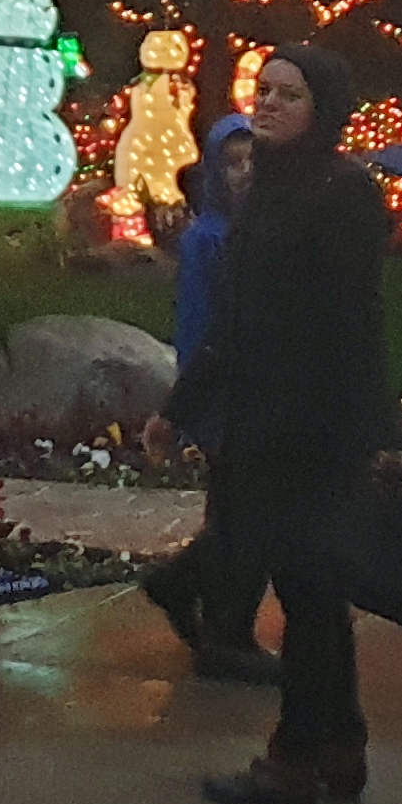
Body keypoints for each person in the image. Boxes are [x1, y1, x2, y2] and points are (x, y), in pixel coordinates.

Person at [169, 41, 402, 804]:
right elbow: (233, 324)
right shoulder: (261, 193)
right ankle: (340, 743)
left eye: (288, 94)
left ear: (323, 110)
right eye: (262, 90)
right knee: (313, 597)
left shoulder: (341, 196)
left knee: (309, 598)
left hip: (312, 431)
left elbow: (355, 325)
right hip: (259, 424)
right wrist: (179, 408)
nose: (267, 104)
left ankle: (294, 761)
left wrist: (376, 435)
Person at [143, 116, 280, 682]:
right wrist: (192, 402)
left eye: (253, 160)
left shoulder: (254, 230)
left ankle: (185, 587)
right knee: (250, 514)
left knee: (242, 511)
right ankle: (229, 631)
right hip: (225, 391)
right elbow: (207, 326)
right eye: (233, 162)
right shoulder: (213, 238)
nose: (244, 172)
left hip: (248, 389)